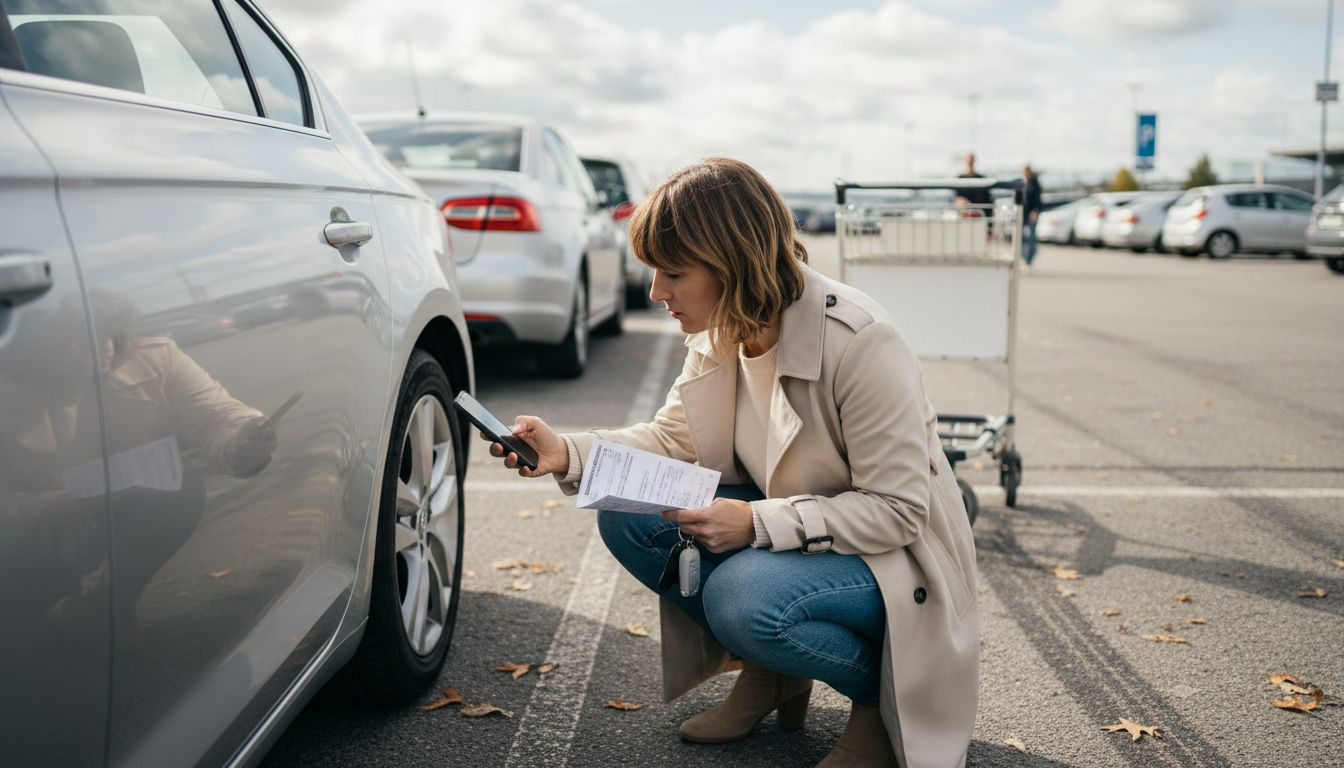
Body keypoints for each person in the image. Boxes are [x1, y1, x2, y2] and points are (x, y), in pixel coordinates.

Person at [482, 158, 979, 768]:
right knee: (629, 516)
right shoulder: (725, 323)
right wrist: (569, 452)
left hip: (894, 558)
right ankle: (770, 677)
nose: (655, 293)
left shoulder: (860, 341)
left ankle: (880, 703)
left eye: (673, 273)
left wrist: (753, 525)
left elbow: (899, 512)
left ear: (732, 263)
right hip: (807, 525)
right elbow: (674, 436)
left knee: (744, 599)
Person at [1022, 165, 1043, 269]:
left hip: (1031, 214)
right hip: (1022, 214)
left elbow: (1038, 200)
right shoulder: (1022, 183)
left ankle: (1030, 260)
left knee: (1031, 238)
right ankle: (1024, 257)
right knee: (1021, 237)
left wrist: (1036, 211)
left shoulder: (1034, 184)